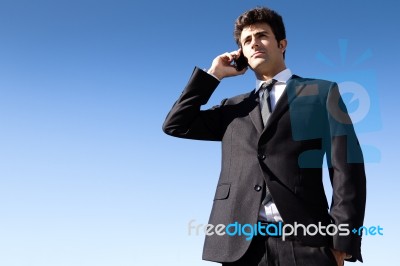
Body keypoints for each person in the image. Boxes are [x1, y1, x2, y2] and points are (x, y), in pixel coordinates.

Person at [162, 6, 366, 266]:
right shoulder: (231, 108)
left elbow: (347, 169)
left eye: (262, 36)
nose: (254, 43)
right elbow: (176, 125)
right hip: (241, 247)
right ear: (242, 53)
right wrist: (214, 75)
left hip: (307, 242)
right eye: (247, 41)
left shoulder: (321, 93)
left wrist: (343, 243)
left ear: (282, 44)